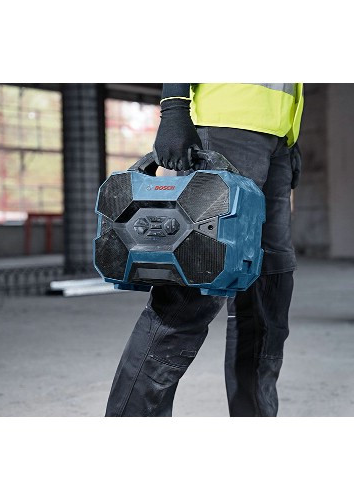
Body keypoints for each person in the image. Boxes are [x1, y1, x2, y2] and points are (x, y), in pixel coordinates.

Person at [105, 83, 304, 417]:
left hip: (277, 137)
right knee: (192, 289)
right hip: (225, 125)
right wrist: (174, 106)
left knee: (269, 282)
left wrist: (291, 136)